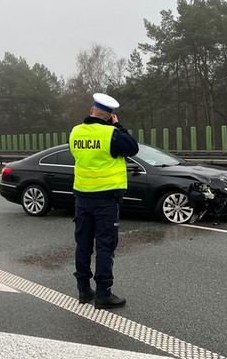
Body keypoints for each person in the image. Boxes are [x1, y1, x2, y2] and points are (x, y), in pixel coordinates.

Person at [69, 93, 138, 309]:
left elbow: (77, 155)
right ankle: (103, 294)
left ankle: (83, 290)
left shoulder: (76, 132)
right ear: (110, 116)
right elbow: (133, 148)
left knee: (83, 245)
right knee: (105, 247)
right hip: (106, 200)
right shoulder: (112, 134)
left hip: (81, 197)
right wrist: (119, 126)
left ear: (91, 111)